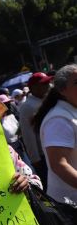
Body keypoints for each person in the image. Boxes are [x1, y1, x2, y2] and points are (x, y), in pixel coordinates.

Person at [33, 64, 77, 202]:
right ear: (62, 90)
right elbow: (59, 165)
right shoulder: (59, 119)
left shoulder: (71, 110)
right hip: (70, 203)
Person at [19, 72, 52, 188]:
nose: (48, 86)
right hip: (43, 156)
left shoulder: (45, 100)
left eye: (48, 82)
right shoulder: (27, 107)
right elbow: (28, 135)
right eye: (44, 83)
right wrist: (35, 159)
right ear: (34, 88)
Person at [0, 94, 33, 169]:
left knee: (29, 168)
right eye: (5, 104)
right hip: (10, 151)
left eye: (8, 103)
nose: (8, 105)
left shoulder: (12, 116)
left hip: (20, 147)